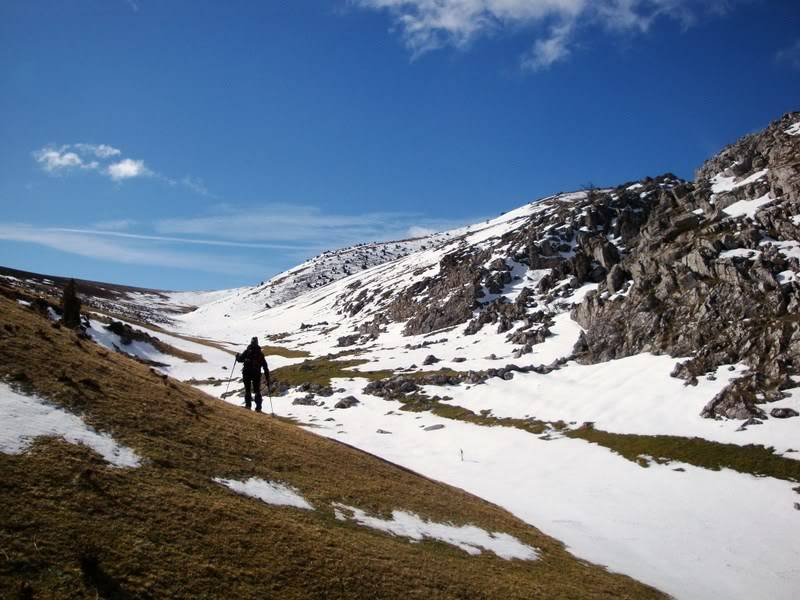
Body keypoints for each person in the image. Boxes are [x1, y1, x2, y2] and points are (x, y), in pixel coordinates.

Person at [236, 337, 271, 412]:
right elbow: (265, 367)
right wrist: (267, 378)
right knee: (257, 391)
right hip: (256, 374)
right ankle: (258, 408)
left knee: (247, 390)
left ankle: (248, 406)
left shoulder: (247, 351)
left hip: (246, 373)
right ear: (257, 343)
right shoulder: (260, 354)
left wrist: (237, 357)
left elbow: (240, 360)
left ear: (251, 342)